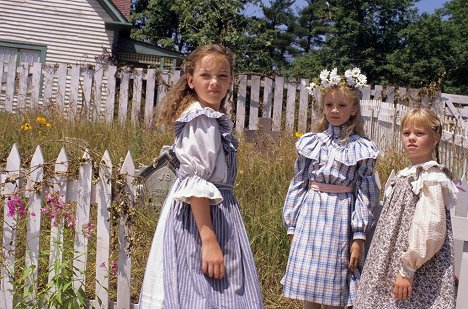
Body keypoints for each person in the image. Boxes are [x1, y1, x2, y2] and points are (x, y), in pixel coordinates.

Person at [138, 44, 264, 309]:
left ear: (231, 80)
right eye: (206, 75)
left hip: (214, 213)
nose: (214, 82)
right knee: (202, 294)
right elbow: (197, 184)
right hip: (201, 219)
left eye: (222, 75)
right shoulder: (201, 120)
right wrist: (208, 241)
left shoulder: (209, 118)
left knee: (208, 294)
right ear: (191, 80)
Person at [282, 68, 380, 308]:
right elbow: (299, 182)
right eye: (329, 105)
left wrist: (358, 237)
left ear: (354, 109)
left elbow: (365, 194)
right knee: (309, 289)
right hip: (311, 216)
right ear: (323, 108)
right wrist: (292, 222)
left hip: (340, 219)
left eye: (342, 105)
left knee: (337, 287)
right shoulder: (311, 142)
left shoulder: (362, 147)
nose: (335, 110)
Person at [354, 108, 458, 308]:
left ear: (435, 138)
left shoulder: (431, 176)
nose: (411, 138)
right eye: (407, 133)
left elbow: (430, 227)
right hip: (388, 262)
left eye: (420, 133)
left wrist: (408, 269)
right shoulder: (405, 174)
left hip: (415, 270)